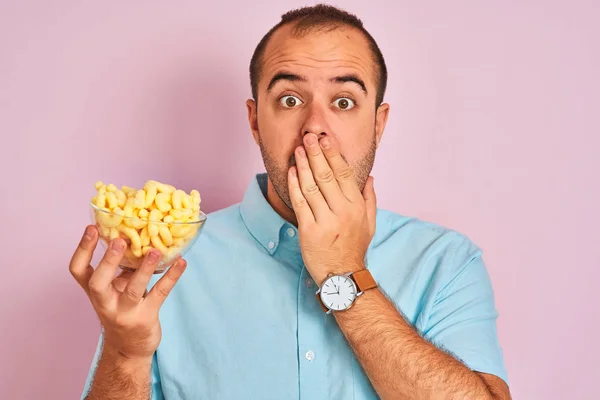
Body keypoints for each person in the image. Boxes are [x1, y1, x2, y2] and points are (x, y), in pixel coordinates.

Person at [73, 4, 511, 399]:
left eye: (343, 101)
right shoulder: (162, 263)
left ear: (378, 125)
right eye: (290, 99)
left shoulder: (446, 263)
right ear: (255, 121)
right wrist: (126, 354)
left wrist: (344, 273)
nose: (314, 128)